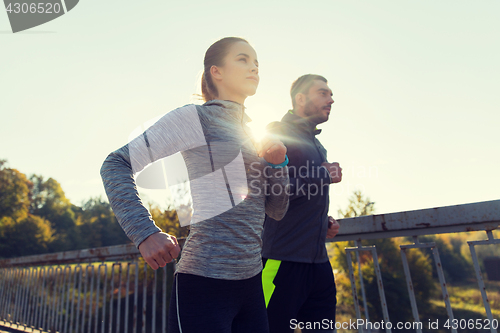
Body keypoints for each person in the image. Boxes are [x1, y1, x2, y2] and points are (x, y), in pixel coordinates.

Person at [100, 37, 290, 333]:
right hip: (204, 282)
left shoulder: (254, 135)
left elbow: (276, 211)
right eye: (243, 59)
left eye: (256, 63)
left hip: (252, 283)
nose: (254, 67)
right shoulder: (195, 118)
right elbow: (115, 164)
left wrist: (278, 165)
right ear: (217, 71)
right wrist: (144, 233)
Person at [261, 74, 342, 333]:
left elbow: (302, 197)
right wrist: (322, 175)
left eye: (330, 94)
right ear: (300, 98)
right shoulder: (276, 134)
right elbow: (268, 190)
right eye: (323, 93)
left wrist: (322, 222)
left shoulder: (316, 144)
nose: (331, 99)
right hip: (279, 261)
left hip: (318, 265)